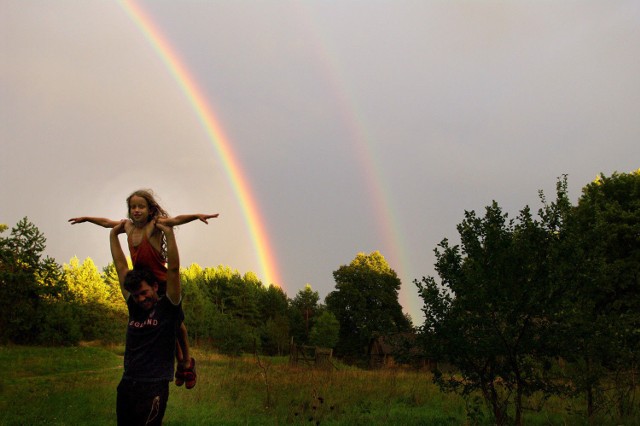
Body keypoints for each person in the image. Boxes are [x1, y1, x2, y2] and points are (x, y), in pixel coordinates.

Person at [69, 189, 218, 388]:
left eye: (141, 206)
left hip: (163, 283)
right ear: (129, 210)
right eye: (133, 207)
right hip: (142, 286)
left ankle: (187, 362)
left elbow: (176, 220)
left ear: (149, 209)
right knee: (162, 326)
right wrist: (87, 219)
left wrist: (196, 216)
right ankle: (179, 359)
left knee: (177, 325)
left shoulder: (154, 225)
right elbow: (107, 223)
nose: (137, 210)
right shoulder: (128, 227)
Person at [111, 219, 182, 425]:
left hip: (154, 386)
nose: (141, 299)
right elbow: (120, 266)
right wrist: (113, 236)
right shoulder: (133, 306)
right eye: (136, 295)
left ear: (155, 287)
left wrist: (169, 234)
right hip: (127, 383)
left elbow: (174, 270)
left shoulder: (168, 307)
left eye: (144, 293)